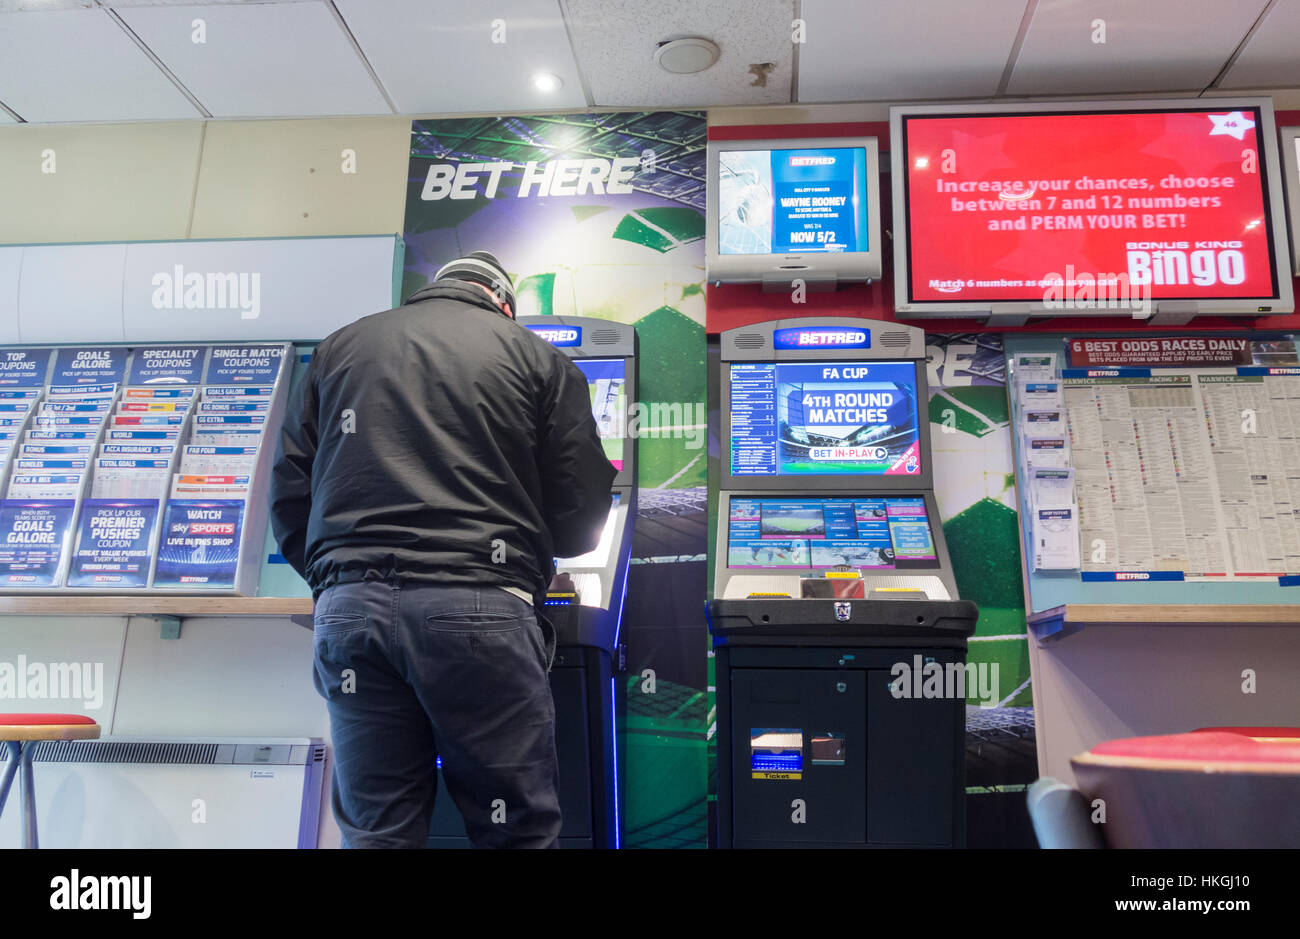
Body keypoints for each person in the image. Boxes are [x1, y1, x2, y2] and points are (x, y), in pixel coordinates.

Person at [269, 250, 615, 848]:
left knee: (379, 831)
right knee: (515, 831)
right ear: (503, 304)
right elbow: (582, 517)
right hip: (481, 611)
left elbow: (289, 492)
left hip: (352, 615)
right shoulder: (541, 360)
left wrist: (340, 579)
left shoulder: (339, 349)